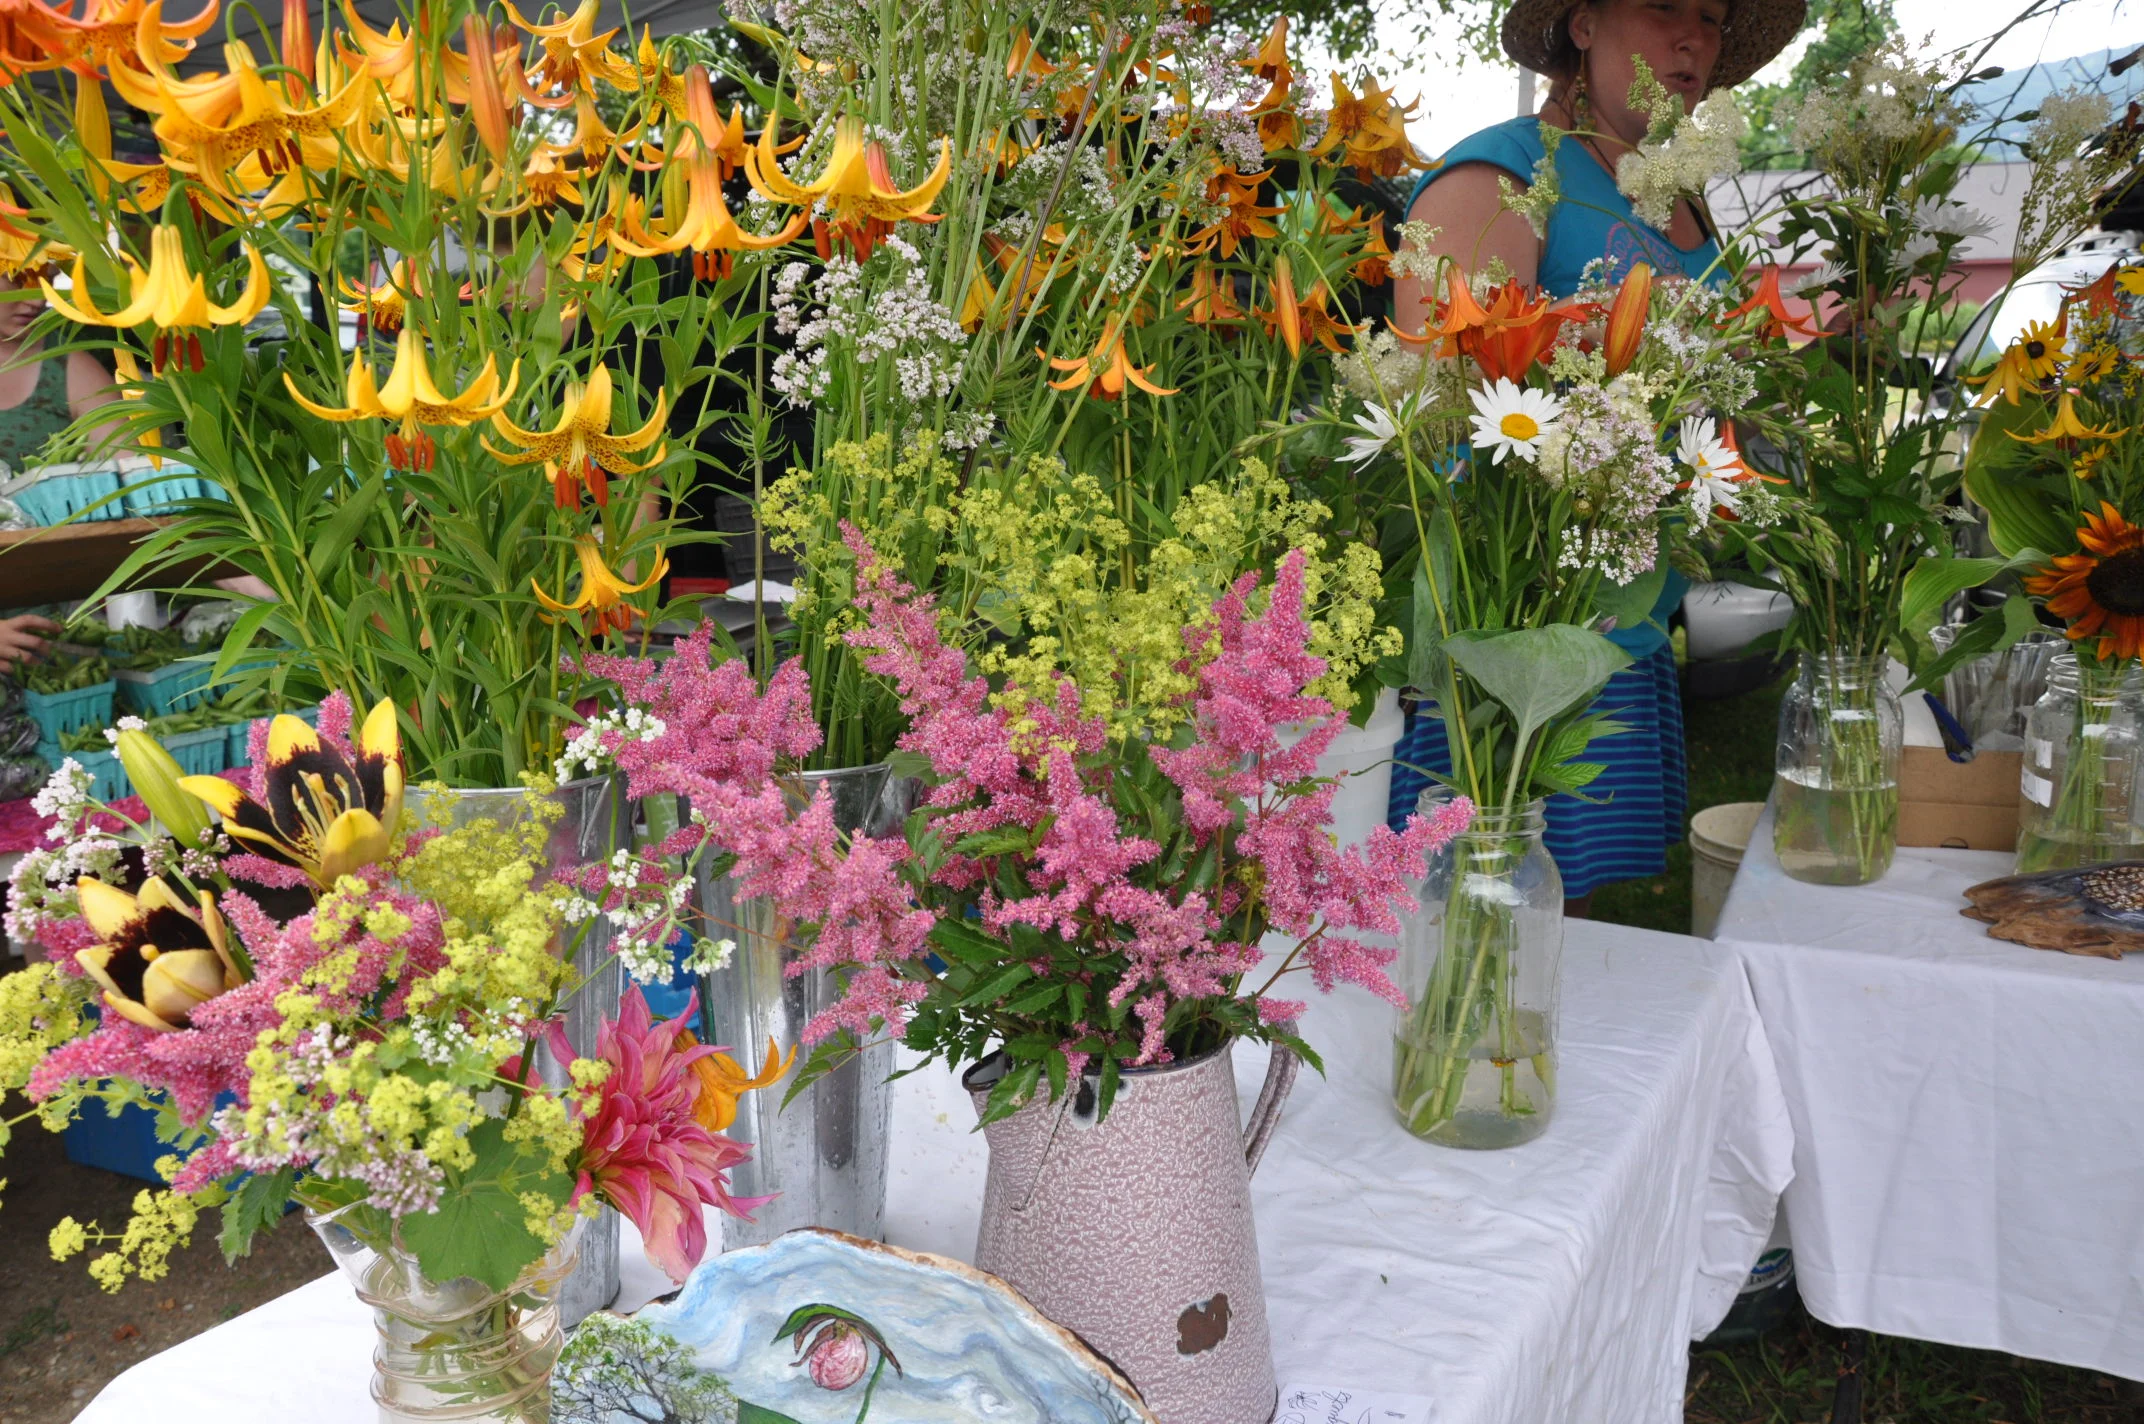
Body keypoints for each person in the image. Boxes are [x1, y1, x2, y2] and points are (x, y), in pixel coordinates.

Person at [1387, 0, 1804, 912]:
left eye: (1711, 16)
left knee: (1565, 925)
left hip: (1629, 627)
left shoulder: (1680, 202)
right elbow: (1439, 403)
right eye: (1664, 5)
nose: (1694, 37)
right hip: (1509, 635)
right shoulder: (1499, 175)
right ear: (1581, 24)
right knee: (1478, 914)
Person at [0, 274, 126, 674]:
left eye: (47, 276)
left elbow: (135, 485)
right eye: (16, 278)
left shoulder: (66, 367)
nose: (38, 297)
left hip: (59, 631)